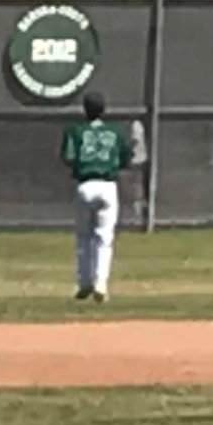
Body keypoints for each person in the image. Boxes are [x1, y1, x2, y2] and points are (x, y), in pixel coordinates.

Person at [61, 89, 135, 302]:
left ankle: (84, 283)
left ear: (85, 109)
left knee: (84, 237)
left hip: (85, 185)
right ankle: (101, 283)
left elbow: (68, 156)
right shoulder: (115, 131)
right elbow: (126, 158)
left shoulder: (75, 130)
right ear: (103, 110)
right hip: (108, 185)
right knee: (104, 238)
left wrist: (81, 165)